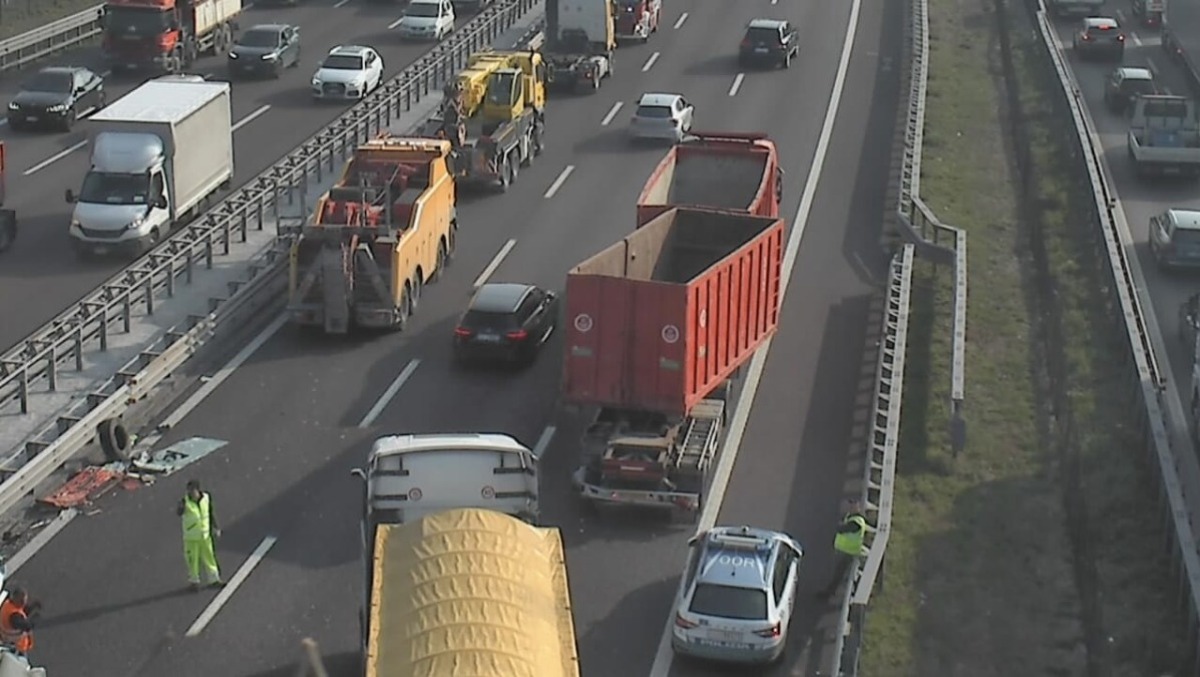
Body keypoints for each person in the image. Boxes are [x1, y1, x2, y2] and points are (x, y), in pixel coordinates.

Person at [177, 479, 223, 592]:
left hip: (205, 536)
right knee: (192, 560)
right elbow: (179, 512)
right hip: (191, 537)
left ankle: (214, 579)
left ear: (198, 490)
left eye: (192, 490)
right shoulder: (185, 502)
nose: (190, 493)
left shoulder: (206, 498)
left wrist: (216, 527)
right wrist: (181, 506)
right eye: (189, 490)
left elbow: (210, 513)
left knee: (209, 557)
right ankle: (194, 582)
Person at [824, 501, 872, 596]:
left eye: (853, 505)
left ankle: (830, 593)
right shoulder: (852, 518)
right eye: (850, 504)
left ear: (858, 507)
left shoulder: (856, 522)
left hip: (848, 553)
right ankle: (831, 591)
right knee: (840, 574)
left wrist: (839, 525)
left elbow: (843, 529)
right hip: (845, 551)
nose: (851, 507)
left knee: (840, 574)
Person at [0, 587, 40, 656]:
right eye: (22, 601)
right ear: (16, 599)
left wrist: (32, 607)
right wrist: (35, 619)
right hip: (17, 646)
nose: (24, 603)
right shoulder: (14, 618)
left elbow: (22, 612)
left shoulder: (8, 604)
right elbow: (26, 626)